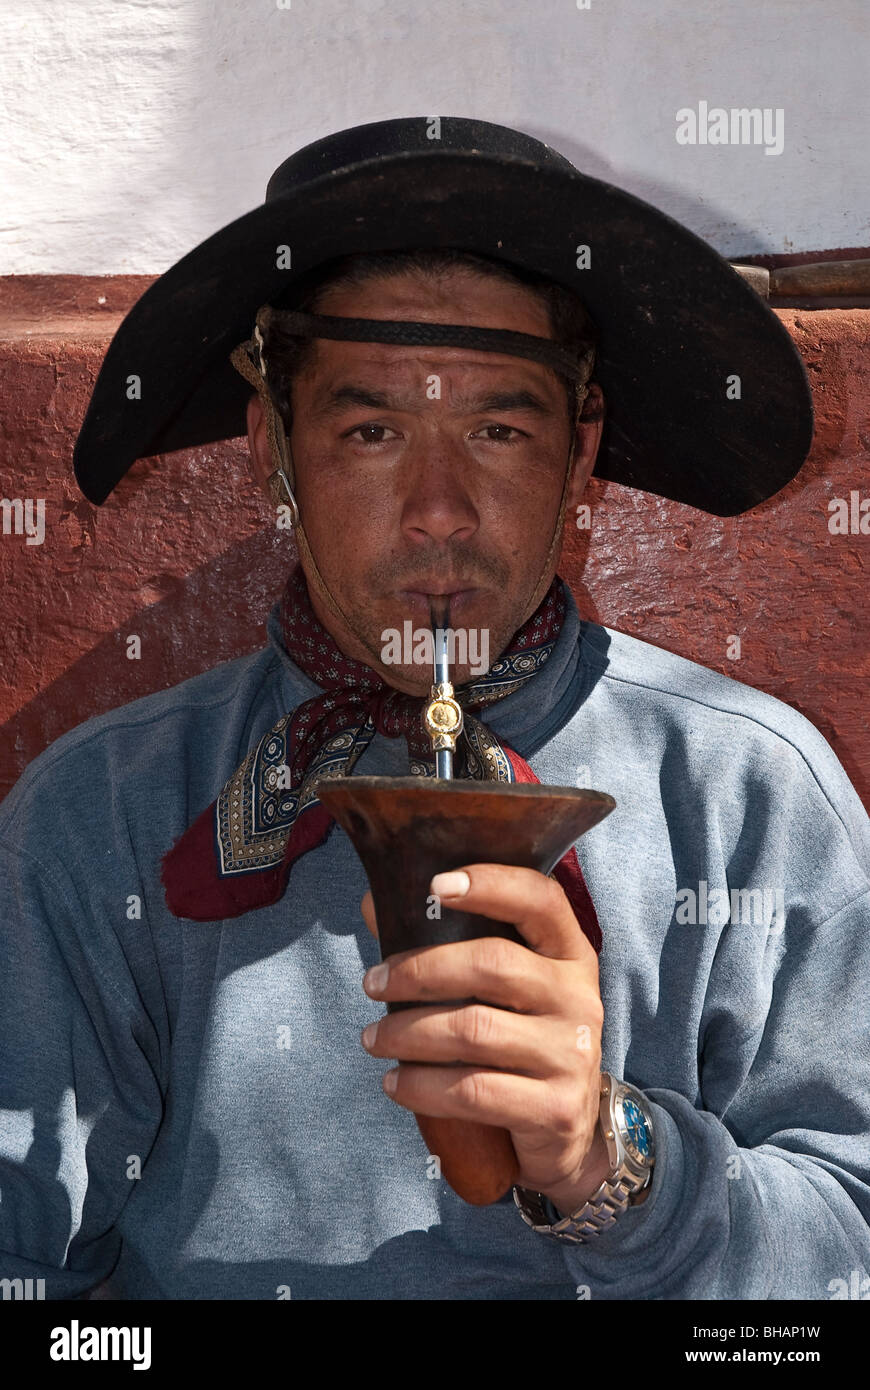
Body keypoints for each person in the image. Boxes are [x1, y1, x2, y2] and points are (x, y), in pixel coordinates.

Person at [1, 117, 867, 1301]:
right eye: (371, 430)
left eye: (499, 429)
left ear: (579, 453)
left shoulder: (750, 795)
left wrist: (614, 1160)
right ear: (275, 454)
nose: (439, 510)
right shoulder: (96, 817)